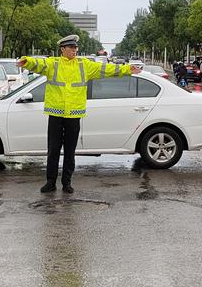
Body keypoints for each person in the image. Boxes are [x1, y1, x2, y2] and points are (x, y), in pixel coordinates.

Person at [17, 35, 141, 194]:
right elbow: (38, 63)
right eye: (71, 47)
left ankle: (67, 183)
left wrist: (127, 69)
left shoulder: (84, 65)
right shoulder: (53, 64)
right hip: (55, 114)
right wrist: (26, 61)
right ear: (62, 49)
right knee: (53, 150)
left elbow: (107, 69)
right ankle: (50, 182)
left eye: (75, 48)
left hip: (74, 115)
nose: (74, 50)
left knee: (70, 151)